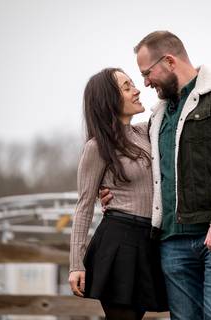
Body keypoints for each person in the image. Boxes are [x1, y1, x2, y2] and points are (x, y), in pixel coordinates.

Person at [102, 31, 211, 319]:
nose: (145, 83)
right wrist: (113, 190)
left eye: (147, 73)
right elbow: (141, 169)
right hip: (173, 241)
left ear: (170, 61)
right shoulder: (157, 117)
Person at [68, 67, 168, 320]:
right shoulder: (97, 147)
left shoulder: (147, 132)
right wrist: (76, 264)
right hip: (118, 245)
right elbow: (84, 205)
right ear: (109, 99)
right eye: (127, 87)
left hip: (152, 242)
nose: (137, 91)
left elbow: (170, 105)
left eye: (134, 84)